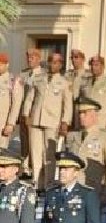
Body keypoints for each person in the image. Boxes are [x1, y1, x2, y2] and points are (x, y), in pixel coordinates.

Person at [23, 51, 72, 190]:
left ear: (61, 65)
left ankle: (48, 184)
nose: (52, 64)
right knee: (35, 153)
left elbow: (68, 105)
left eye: (56, 61)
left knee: (49, 154)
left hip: (52, 121)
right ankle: (37, 183)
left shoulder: (64, 82)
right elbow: (30, 97)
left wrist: (65, 122)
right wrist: (26, 114)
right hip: (36, 119)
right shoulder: (39, 78)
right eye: (50, 60)